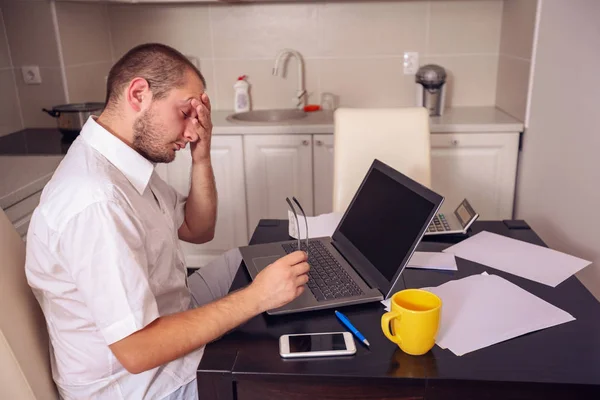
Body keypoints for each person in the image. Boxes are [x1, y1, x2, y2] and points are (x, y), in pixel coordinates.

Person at [25, 43, 310, 400]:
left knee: (249, 258)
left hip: (171, 307)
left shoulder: (123, 163)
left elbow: (198, 229)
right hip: (139, 385)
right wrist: (257, 297)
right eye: (185, 112)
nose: (192, 130)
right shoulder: (96, 200)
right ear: (139, 94)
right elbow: (137, 350)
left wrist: (201, 157)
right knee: (285, 369)